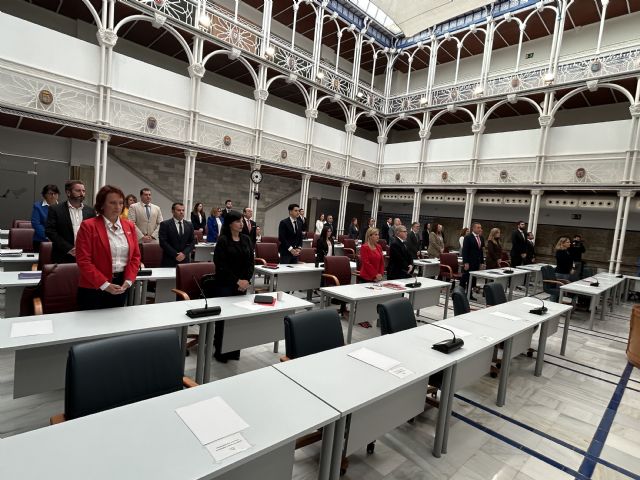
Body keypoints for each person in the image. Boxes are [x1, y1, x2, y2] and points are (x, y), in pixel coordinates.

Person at [75, 185, 141, 310]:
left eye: (121, 203)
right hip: (94, 287)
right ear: (102, 205)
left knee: (116, 324)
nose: (118, 207)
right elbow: (83, 261)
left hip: (121, 285)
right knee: (92, 327)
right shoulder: (88, 226)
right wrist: (104, 285)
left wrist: (129, 280)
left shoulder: (129, 226)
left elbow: (135, 257)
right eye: (112, 203)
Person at [212, 210, 254, 363]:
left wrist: (247, 280)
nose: (241, 224)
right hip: (225, 284)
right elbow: (221, 265)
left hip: (242, 284)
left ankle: (234, 349)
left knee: (237, 319)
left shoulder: (246, 239)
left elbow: (251, 262)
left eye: (242, 221)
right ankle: (221, 351)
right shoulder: (223, 240)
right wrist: (237, 281)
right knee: (224, 319)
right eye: (238, 221)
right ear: (230, 224)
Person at [46, 180, 96, 264]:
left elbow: (94, 232)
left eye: (83, 191)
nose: (82, 193)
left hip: (85, 256)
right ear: (68, 193)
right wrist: (69, 249)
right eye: (78, 190)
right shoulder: (55, 209)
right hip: (62, 255)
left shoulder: (90, 211)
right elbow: (50, 231)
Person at [158, 202, 195, 268]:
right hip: (169, 260)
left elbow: (192, 242)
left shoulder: (189, 225)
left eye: (183, 210)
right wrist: (175, 254)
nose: (181, 212)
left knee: (185, 278)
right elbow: (163, 242)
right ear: (173, 211)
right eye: (179, 210)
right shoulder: (165, 224)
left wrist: (184, 253)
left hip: (185, 260)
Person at [31, 184, 59, 252]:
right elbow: (36, 224)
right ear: (45, 195)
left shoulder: (62, 207)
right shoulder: (38, 206)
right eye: (50, 193)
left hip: (58, 242)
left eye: (55, 193)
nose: (53, 196)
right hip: (41, 240)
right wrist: (48, 236)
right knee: (42, 262)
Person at [461, 222, 484, 300]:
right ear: (473, 228)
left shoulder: (480, 238)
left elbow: (481, 251)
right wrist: (466, 262)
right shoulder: (468, 237)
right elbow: (465, 251)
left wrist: (481, 262)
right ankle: (460, 293)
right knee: (465, 278)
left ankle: (469, 294)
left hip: (476, 262)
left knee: (473, 279)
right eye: (478, 227)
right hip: (469, 262)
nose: (480, 229)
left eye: (480, 227)